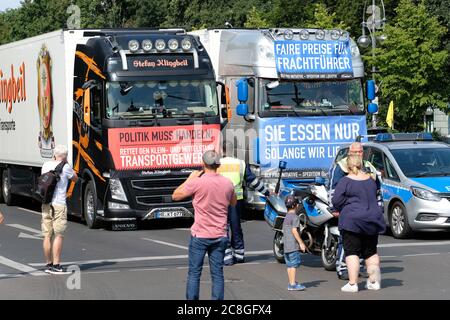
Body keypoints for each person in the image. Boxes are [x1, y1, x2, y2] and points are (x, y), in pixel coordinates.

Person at [172, 150, 237, 300]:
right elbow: (233, 203)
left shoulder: (197, 182)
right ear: (218, 165)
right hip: (220, 234)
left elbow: (175, 195)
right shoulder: (227, 183)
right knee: (217, 274)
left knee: (194, 273)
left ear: (203, 164)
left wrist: (189, 179)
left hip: (200, 235)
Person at [332, 154, 386, 293]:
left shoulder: (345, 181)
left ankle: (352, 284)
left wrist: (344, 206)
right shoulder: (371, 180)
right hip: (373, 219)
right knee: (371, 252)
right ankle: (374, 282)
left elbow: (336, 201)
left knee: (352, 252)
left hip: (353, 221)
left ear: (347, 166)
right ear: (361, 164)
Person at [217, 141, 270, 266]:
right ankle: (239, 255)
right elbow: (253, 181)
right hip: (236, 200)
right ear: (232, 151)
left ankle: (227, 257)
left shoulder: (217, 163)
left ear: (221, 150)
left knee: (222, 228)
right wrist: (267, 192)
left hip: (220, 200)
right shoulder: (240, 163)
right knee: (236, 227)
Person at [41, 145, 78, 274]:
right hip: (59, 204)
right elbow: (75, 178)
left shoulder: (45, 165)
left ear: (54, 154)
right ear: (65, 156)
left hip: (46, 203)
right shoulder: (66, 167)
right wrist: (66, 164)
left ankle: (48, 264)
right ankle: (56, 265)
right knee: (58, 235)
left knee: (47, 235)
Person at [282, 195, 307, 291]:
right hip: (293, 246)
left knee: (289, 265)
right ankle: (292, 284)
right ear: (296, 206)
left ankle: (291, 281)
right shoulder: (295, 217)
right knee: (294, 265)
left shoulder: (287, 217)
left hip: (286, 246)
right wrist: (301, 243)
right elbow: (294, 231)